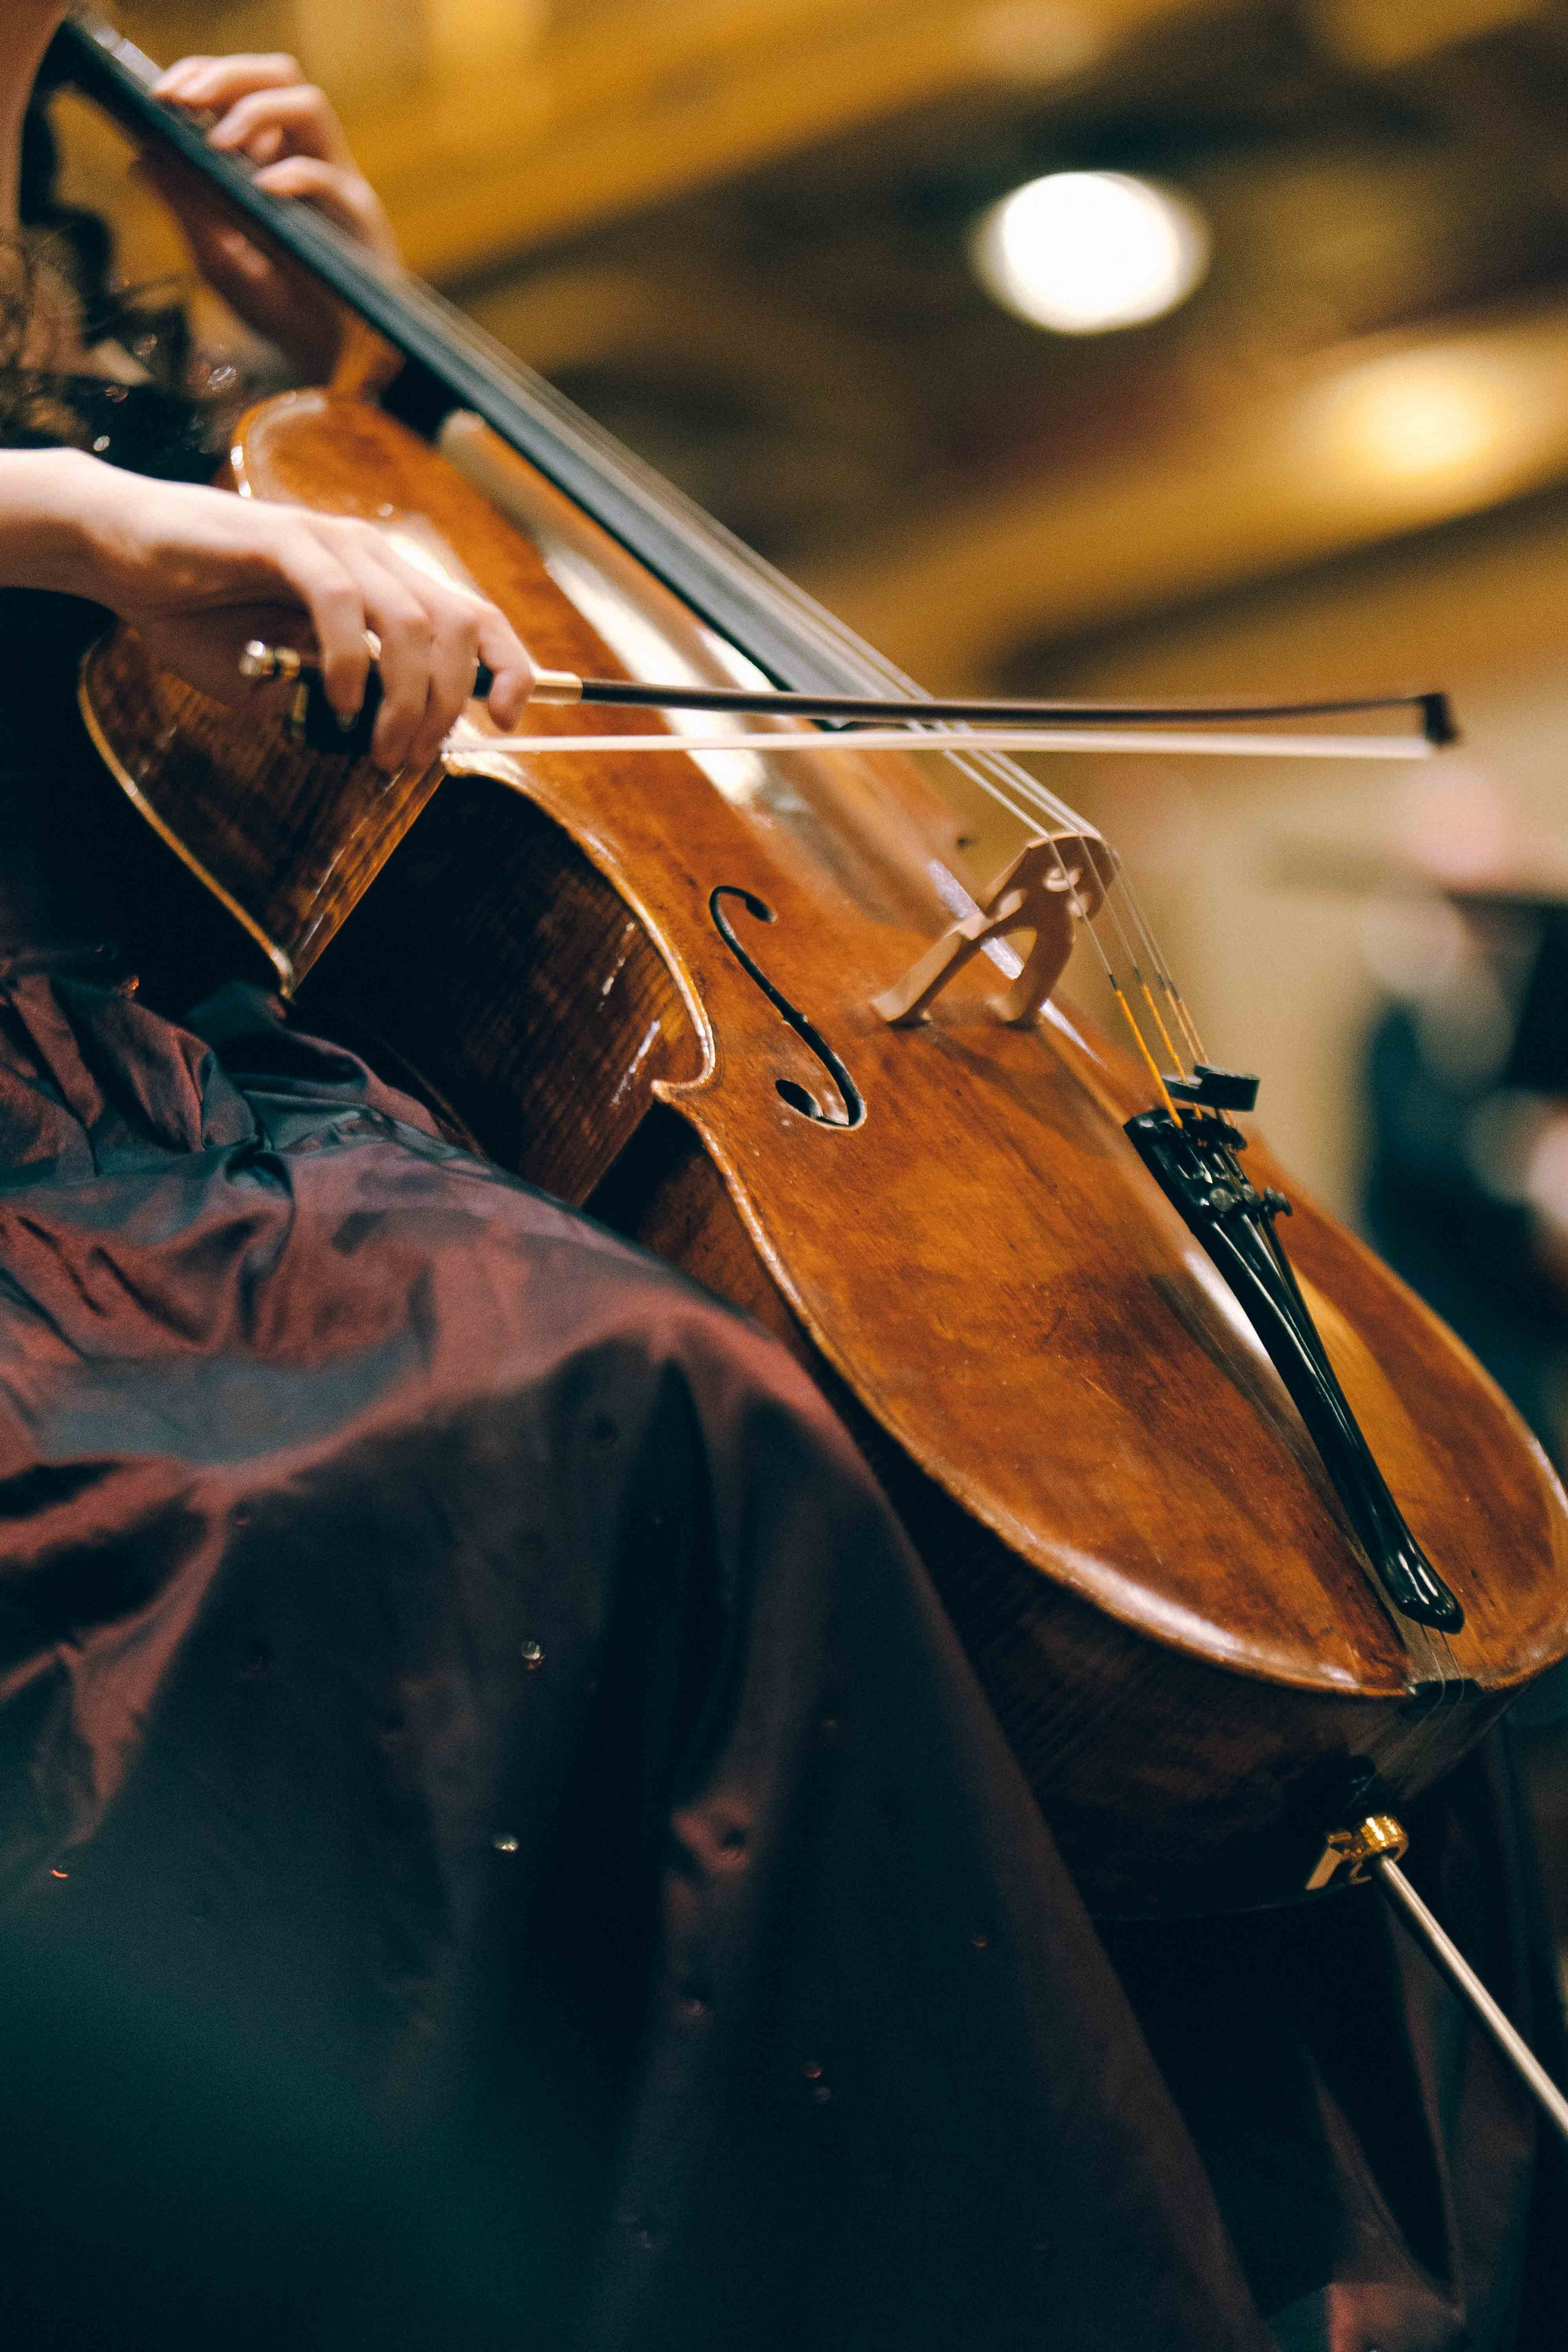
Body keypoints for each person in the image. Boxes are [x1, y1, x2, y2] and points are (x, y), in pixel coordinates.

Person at [0, 12, 1562, 2349]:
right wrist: (94, 518)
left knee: (1224, 1471)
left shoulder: (88, 195)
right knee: (641, 1397)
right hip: (56, 1156)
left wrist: (351, 356)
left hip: (231, 1071)